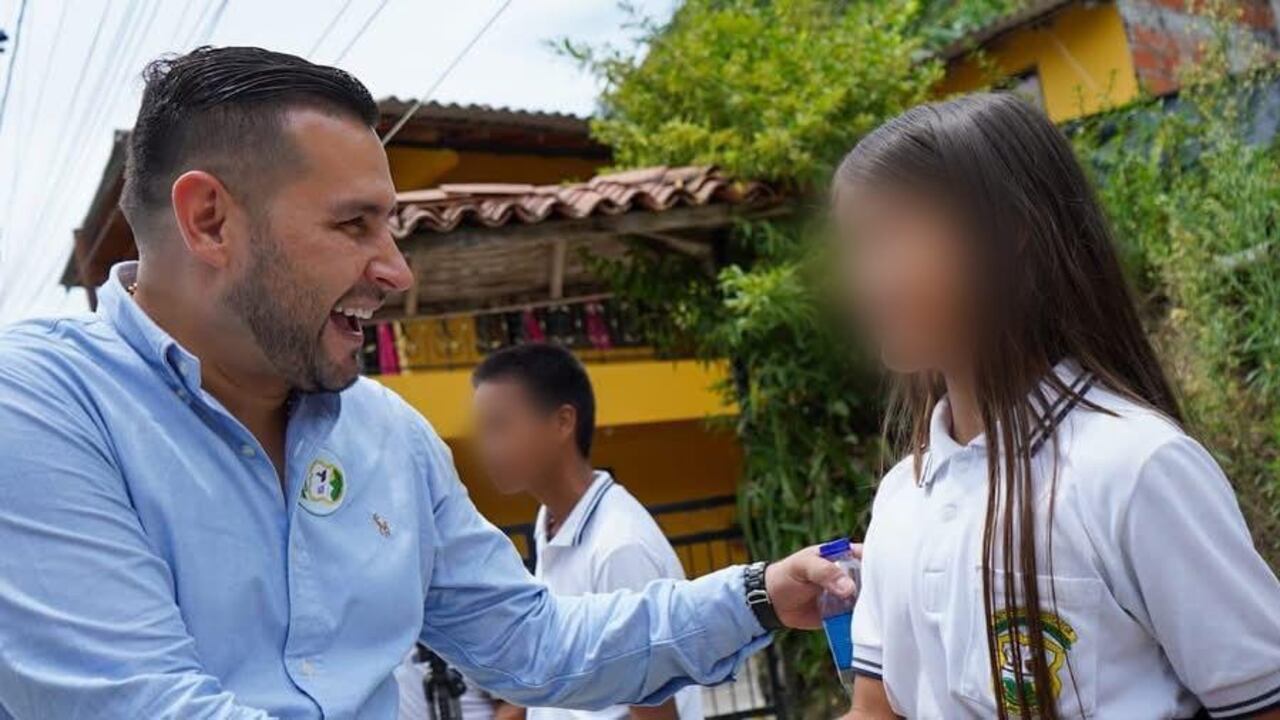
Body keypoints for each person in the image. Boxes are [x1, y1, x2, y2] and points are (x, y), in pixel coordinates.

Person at [0, 47, 855, 720]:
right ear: (210, 220)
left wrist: (758, 594)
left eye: (393, 228)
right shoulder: (40, 407)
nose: (396, 272)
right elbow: (138, 703)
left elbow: (532, 639)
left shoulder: (385, 435)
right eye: (354, 224)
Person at [833, 93, 1280, 719]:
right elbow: (876, 710)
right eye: (857, 246)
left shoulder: (1134, 468)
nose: (863, 280)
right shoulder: (903, 496)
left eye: (891, 238)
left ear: (1010, 233)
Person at [471, 343, 704, 720]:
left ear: (563, 422)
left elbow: (655, 712)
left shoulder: (618, 547)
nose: (488, 449)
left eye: (500, 426)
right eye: (484, 431)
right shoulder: (551, 522)